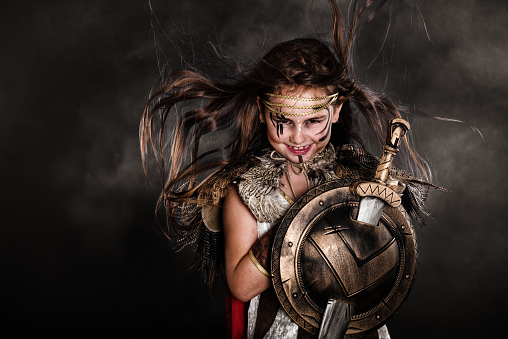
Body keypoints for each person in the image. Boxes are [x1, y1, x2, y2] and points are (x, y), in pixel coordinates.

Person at [140, 1, 436, 338]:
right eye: (284, 121)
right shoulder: (244, 193)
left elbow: (386, 268)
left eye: (313, 121)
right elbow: (241, 286)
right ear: (262, 112)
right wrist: (303, 218)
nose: (298, 137)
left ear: (336, 111)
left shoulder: (355, 184)